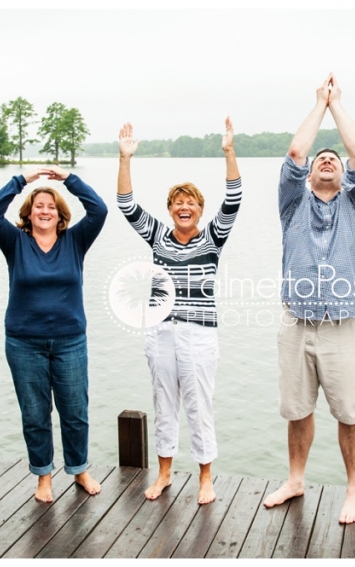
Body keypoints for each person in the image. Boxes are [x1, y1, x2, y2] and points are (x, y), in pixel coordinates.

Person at [262, 73, 355, 524]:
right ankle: (295, 480)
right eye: (320, 159)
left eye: (334, 159)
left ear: (344, 177)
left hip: (341, 326)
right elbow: (295, 153)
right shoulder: (292, 204)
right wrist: (318, 104)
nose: (328, 160)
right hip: (296, 324)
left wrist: (336, 104)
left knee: (350, 413)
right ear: (308, 176)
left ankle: (354, 491)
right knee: (297, 409)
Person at [116, 117, 241, 505]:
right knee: (164, 405)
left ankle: (205, 477)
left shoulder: (213, 238)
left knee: (198, 407)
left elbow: (234, 199)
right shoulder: (157, 236)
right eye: (178, 202)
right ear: (170, 210)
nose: (184, 206)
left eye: (191, 203)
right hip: (161, 333)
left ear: (200, 211)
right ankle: (165, 473)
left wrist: (228, 151)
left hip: (199, 334)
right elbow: (125, 204)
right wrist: (125, 158)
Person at [0, 165, 108, 503]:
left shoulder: (76, 241)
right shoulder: (15, 242)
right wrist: (22, 180)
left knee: (75, 412)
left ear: (60, 214)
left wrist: (68, 179)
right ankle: (44, 477)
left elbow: (99, 210)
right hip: (24, 343)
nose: (45, 211)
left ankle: (79, 469)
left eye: (51, 206)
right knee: (35, 415)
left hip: (70, 341)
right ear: (28, 212)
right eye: (38, 206)